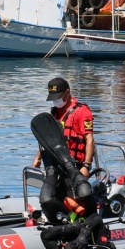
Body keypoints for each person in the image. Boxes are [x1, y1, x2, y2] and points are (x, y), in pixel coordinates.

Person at [32, 77, 96, 223]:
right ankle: (60, 221)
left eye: (59, 97)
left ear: (67, 92)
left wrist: (86, 166)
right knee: (55, 196)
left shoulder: (82, 112)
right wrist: (38, 157)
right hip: (58, 166)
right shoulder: (55, 113)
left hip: (76, 166)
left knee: (76, 198)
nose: (56, 101)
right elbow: (48, 140)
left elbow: (90, 140)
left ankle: (83, 221)